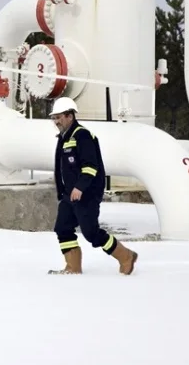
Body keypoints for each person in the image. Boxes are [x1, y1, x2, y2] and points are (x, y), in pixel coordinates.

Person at [47, 97, 138, 275]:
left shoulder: (83, 136)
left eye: (59, 117)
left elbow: (91, 166)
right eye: (54, 118)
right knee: (62, 228)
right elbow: (60, 168)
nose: (56, 121)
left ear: (70, 116)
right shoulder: (64, 138)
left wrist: (80, 187)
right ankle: (73, 267)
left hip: (86, 194)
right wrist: (62, 192)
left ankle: (126, 256)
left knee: (91, 232)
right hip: (69, 195)